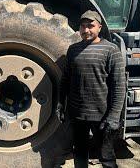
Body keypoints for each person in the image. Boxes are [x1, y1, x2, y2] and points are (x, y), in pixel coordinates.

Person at [56, 10, 126, 168]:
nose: (86, 30)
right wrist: (61, 103)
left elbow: (119, 86)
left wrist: (114, 116)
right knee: (79, 154)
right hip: (78, 114)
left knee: (106, 156)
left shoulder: (111, 50)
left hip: (102, 116)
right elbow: (66, 79)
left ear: (99, 27)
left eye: (90, 26)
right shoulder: (73, 50)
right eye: (83, 26)